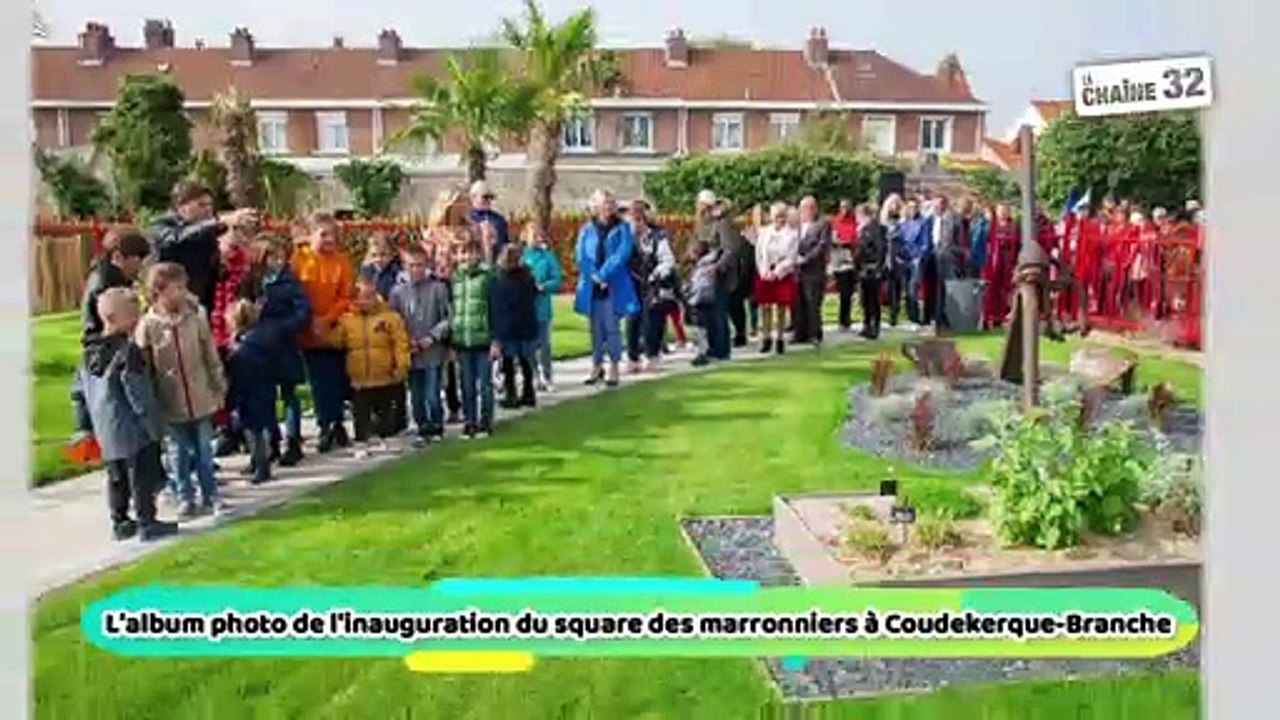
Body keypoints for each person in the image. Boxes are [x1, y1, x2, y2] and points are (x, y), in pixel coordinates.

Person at [81, 287, 179, 542]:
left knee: (116, 477)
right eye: (133, 315)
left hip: (106, 428)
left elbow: (79, 394)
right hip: (133, 428)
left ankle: (120, 520)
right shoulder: (128, 352)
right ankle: (147, 522)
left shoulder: (86, 355)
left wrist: (85, 426)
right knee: (141, 476)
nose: (137, 319)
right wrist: (154, 426)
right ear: (114, 318)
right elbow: (139, 394)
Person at [135, 262, 228, 520]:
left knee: (204, 451)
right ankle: (185, 496)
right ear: (159, 292)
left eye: (183, 287)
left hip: (200, 397)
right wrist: (151, 403)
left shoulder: (196, 317)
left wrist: (218, 387)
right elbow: (145, 369)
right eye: (176, 288)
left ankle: (211, 494)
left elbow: (210, 355)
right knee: (178, 454)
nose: (182, 293)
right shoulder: (149, 326)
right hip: (170, 402)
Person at [68, 227, 151, 465]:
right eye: (136, 260)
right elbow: (113, 314)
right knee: (114, 395)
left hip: (94, 341)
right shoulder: (108, 281)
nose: (138, 267)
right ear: (119, 257)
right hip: (104, 342)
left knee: (90, 393)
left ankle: (91, 438)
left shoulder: (101, 273)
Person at [238, 235, 312, 467]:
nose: (278, 262)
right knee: (265, 397)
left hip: (284, 343)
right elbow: (242, 308)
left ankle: (293, 441)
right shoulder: (252, 282)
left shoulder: (290, 282)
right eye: (272, 257)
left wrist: (284, 327)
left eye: (281, 257)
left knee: (290, 394)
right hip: (260, 347)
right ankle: (271, 443)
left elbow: (303, 311)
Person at [292, 212, 355, 453]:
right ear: (311, 235)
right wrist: (310, 320)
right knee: (318, 382)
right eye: (323, 234)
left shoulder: (342, 262)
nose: (329, 239)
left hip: (333, 330)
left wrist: (327, 319)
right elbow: (297, 294)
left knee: (336, 378)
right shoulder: (299, 260)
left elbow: (346, 296)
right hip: (307, 331)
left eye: (333, 234)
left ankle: (336, 422)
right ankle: (325, 424)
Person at [148, 180, 257, 316]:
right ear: (181, 206)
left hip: (201, 303)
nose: (208, 209)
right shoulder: (162, 225)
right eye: (201, 205)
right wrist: (219, 221)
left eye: (210, 205)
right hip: (169, 303)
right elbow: (177, 239)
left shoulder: (207, 230)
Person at [332, 275, 411, 458]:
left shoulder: (390, 318)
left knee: (385, 408)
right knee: (361, 412)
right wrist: (327, 332)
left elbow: (400, 342)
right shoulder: (347, 320)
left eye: (371, 295)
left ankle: (388, 437)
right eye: (363, 296)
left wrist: (402, 364)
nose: (367, 300)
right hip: (359, 376)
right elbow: (338, 341)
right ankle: (361, 442)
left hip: (384, 373)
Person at [390, 243, 453, 446]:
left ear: (426, 265)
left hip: (432, 351)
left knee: (432, 393)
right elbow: (394, 320)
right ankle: (422, 426)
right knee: (416, 395)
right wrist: (406, 340)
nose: (416, 270)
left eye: (420, 265)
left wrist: (432, 337)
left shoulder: (438, 288)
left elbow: (449, 318)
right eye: (411, 266)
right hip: (410, 351)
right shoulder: (398, 292)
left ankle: (436, 424)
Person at [574, 188, 638, 387]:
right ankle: (596, 365)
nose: (608, 207)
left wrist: (603, 274)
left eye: (611, 202)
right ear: (596, 206)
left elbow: (623, 253)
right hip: (592, 286)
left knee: (612, 328)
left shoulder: (623, 228)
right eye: (604, 203)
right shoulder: (587, 229)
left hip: (613, 284)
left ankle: (614, 366)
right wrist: (592, 274)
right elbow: (581, 255)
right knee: (595, 329)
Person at [210, 225, 253, 458]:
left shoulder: (244, 269)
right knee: (221, 387)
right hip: (215, 332)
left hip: (238, 332)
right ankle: (227, 431)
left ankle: (243, 429)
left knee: (241, 385)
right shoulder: (212, 267)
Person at [224, 299, 277, 485]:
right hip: (264, 390)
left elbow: (239, 378)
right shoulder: (263, 341)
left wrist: (232, 400)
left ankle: (261, 466)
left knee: (253, 432)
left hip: (249, 394)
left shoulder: (242, 350)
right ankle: (258, 462)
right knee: (258, 430)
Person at [451, 236, 499, 438]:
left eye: (470, 252)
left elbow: (495, 309)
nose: (466, 256)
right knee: (466, 384)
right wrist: (452, 341)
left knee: (485, 385)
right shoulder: (455, 279)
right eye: (463, 252)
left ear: (478, 254)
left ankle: (486, 421)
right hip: (462, 340)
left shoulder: (487, 278)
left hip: (483, 340)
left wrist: (496, 340)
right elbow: (452, 311)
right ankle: (469, 421)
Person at [625, 199, 678, 372]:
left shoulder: (657, 236)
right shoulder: (626, 237)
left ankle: (652, 355)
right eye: (633, 219)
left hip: (652, 284)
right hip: (632, 282)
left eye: (638, 219)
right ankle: (633, 357)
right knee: (632, 320)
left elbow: (667, 260)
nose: (635, 223)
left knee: (652, 320)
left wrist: (655, 274)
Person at [695, 190, 745, 357]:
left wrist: (716, 266)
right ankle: (713, 347)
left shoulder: (723, 221)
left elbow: (731, 249)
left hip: (721, 275)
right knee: (709, 312)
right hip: (709, 273)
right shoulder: (707, 222)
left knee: (718, 312)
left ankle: (722, 350)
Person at [491, 244, 540, 409]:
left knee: (509, 362)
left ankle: (511, 394)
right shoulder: (527, 276)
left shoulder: (501, 278)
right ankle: (528, 393)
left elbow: (499, 304)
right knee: (525, 360)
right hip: (526, 325)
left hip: (509, 327)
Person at [521, 224, 564, 392]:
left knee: (544, 343)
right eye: (534, 235)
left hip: (543, 307)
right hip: (526, 307)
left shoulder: (548, 257)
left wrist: (544, 286)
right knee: (529, 345)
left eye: (539, 235)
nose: (537, 239)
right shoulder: (522, 256)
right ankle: (533, 376)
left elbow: (557, 279)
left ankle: (547, 376)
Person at [754, 202, 800, 354]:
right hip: (766, 270)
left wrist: (777, 272)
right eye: (776, 216)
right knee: (764, 306)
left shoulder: (792, 234)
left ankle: (780, 338)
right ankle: (766, 338)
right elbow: (759, 253)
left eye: (782, 216)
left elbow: (791, 257)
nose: (779, 220)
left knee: (781, 307)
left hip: (782, 272)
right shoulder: (764, 232)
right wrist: (764, 270)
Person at [792, 196, 832, 347]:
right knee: (798, 302)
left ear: (814, 208)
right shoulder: (797, 226)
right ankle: (799, 333)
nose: (805, 211)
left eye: (808, 208)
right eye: (802, 208)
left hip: (813, 270)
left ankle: (814, 333)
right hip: (797, 270)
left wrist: (806, 258)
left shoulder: (822, 224)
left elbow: (822, 246)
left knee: (812, 302)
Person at [982, 204, 1020, 329]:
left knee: (1009, 287)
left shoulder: (1014, 226)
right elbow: (986, 243)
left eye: (1005, 211)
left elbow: (1019, 243)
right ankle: (994, 316)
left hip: (1009, 258)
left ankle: (1008, 314)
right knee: (994, 288)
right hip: (995, 260)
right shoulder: (992, 226)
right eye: (1001, 211)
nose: (1003, 213)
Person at [853, 204, 888, 339]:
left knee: (871, 299)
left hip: (871, 268)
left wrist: (857, 261)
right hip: (869, 268)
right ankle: (868, 325)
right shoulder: (873, 228)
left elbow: (872, 248)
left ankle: (872, 326)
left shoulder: (870, 229)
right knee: (867, 299)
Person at [683, 240, 719, 367]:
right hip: (703, 299)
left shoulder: (704, 266)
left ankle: (703, 352)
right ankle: (705, 351)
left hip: (701, 300)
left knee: (700, 328)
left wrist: (690, 294)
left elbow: (701, 285)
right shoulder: (703, 265)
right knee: (703, 328)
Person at [829, 199, 859, 331]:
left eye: (847, 207)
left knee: (850, 292)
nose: (845, 209)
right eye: (842, 207)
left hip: (852, 259)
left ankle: (847, 318)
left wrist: (849, 243)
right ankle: (842, 320)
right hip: (839, 260)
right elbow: (833, 238)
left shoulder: (854, 221)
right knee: (843, 291)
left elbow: (856, 238)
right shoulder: (835, 221)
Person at [880, 197, 909, 328]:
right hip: (886, 257)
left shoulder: (903, 223)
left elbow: (905, 239)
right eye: (892, 205)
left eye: (897, 205)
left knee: (897, 286)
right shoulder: (883, 223)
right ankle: (888, 311)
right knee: (888, 286)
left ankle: (895, 313)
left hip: (899, 257)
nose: (895, 207)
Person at [469, 180, 511, 264]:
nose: (488, 200)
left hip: (498, 263)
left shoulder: (499, 219)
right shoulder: (467, 218)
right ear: (473, 197)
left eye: (490, 197)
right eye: (485, 197)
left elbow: (506, 242)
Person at [900, 200, 927, 325]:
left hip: (916, 259)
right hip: (904, 259)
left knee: (913, 288)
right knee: (906, 289)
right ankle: (909, 316)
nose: (913, 209)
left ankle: (915, 317)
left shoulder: (922, 223)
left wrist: (919, 256)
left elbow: (925, 243)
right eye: (910, 207)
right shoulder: (904, 223)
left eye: (915, 207)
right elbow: (900, 241)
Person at [360, 231, 404, 302]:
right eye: (374, 255)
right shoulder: (368, 268)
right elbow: (363, 289)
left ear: (392, 255)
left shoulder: (396, 271)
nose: (378, 259)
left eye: (383, 254)